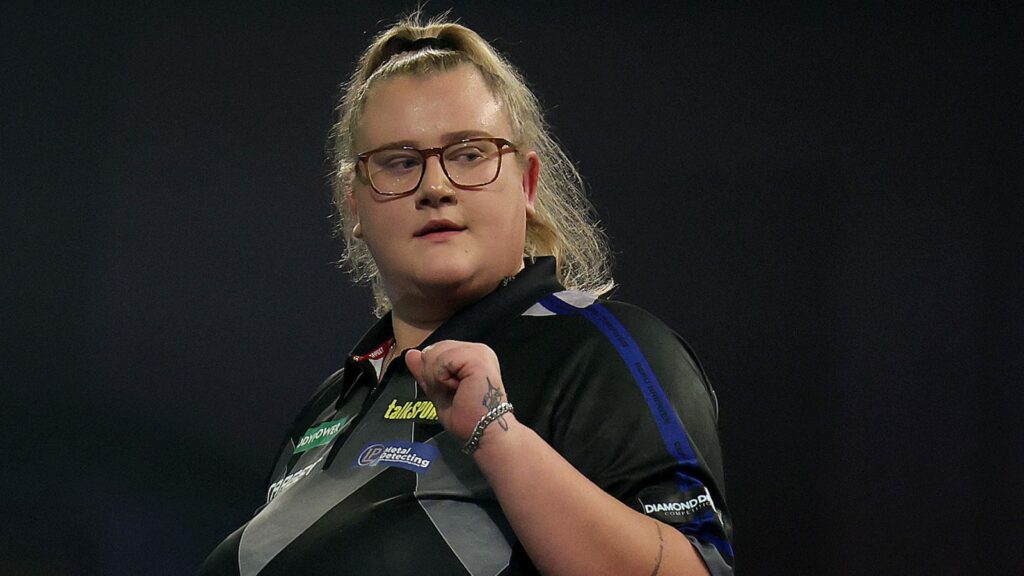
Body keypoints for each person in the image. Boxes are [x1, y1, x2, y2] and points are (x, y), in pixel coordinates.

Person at [200, 12, 733, 576]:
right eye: (400, 163)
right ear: (354, 204)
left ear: (526, 183)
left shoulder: (604, 352)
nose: (434, 187)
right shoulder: (331, 403)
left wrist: (496, 436)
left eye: (469, 154)